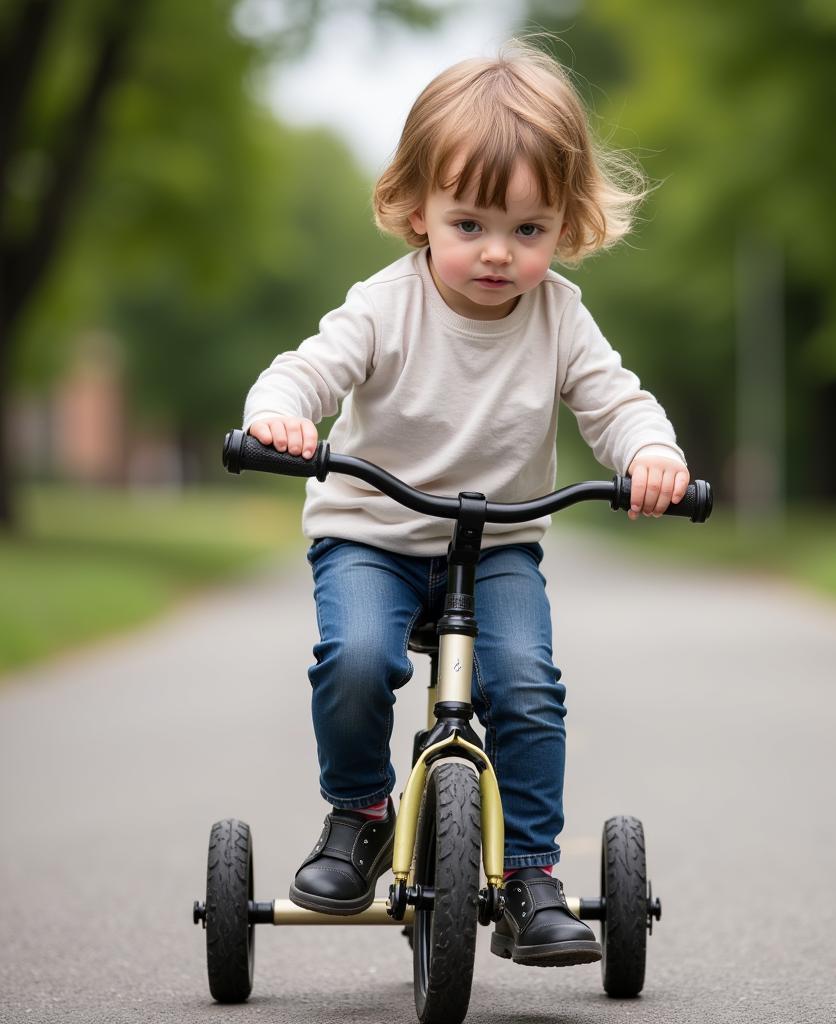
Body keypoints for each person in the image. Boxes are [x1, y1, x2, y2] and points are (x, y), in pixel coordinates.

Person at [243, 40, 688, 967]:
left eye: (529, 229)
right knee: (357, 657)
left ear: (567, 225)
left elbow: (615, 400)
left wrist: (650, 454)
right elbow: (307, 371)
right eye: (471, 223)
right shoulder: (384, 306)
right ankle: (359, 813)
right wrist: (281, 415)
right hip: (372, 534)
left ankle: (530, 873)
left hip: (498, 547)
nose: (498, 252)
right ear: (417, 211)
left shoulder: (560, 317)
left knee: (526, 685)